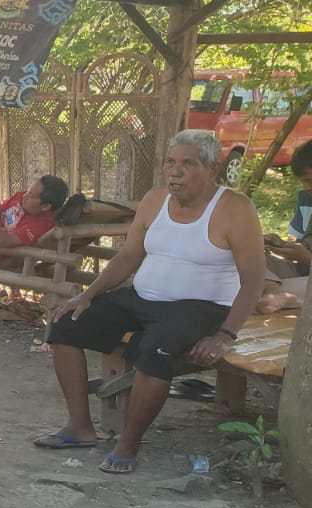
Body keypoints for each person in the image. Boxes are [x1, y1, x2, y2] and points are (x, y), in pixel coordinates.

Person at [37, 130, 265, 475]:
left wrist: (225, 335)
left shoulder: (235, 209)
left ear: (212, 169)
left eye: (187, 164)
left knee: (154, 349)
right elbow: (128, 256)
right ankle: (79, 427)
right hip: (142, 296)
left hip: (200, 306)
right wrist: (88, 294)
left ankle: (128, 443)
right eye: (170, 162)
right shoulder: (154, 200)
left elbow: (253, 281)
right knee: (65, 323)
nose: (175, 171)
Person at [264, 140, 312, 278]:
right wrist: (280, 244)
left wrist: (307, 258)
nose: (306, 187)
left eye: (309, 180)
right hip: (302, 273)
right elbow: (305, 247)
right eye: (302, 182)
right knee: (247, 263)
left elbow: (306, 256)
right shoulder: (308, 198)